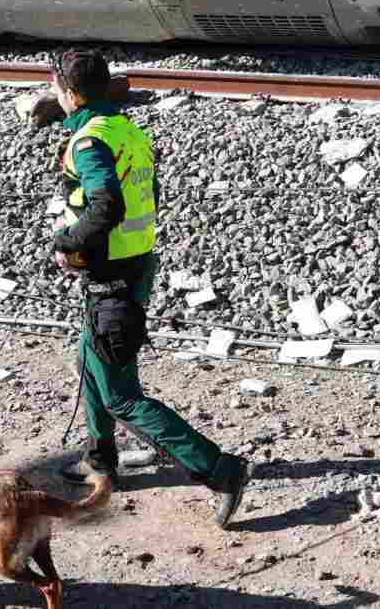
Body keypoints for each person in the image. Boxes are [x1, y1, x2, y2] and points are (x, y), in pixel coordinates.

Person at [46, 48, 252, 527]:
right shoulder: (127, 130)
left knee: (119, 393)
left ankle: (222, 470)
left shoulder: (89, 142)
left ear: (71, 94)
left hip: (112, 278)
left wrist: (67, 243)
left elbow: (106, 206)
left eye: (57, 86)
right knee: (89, 359)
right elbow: (148, 196)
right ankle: (101, 461)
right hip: (135, 265)